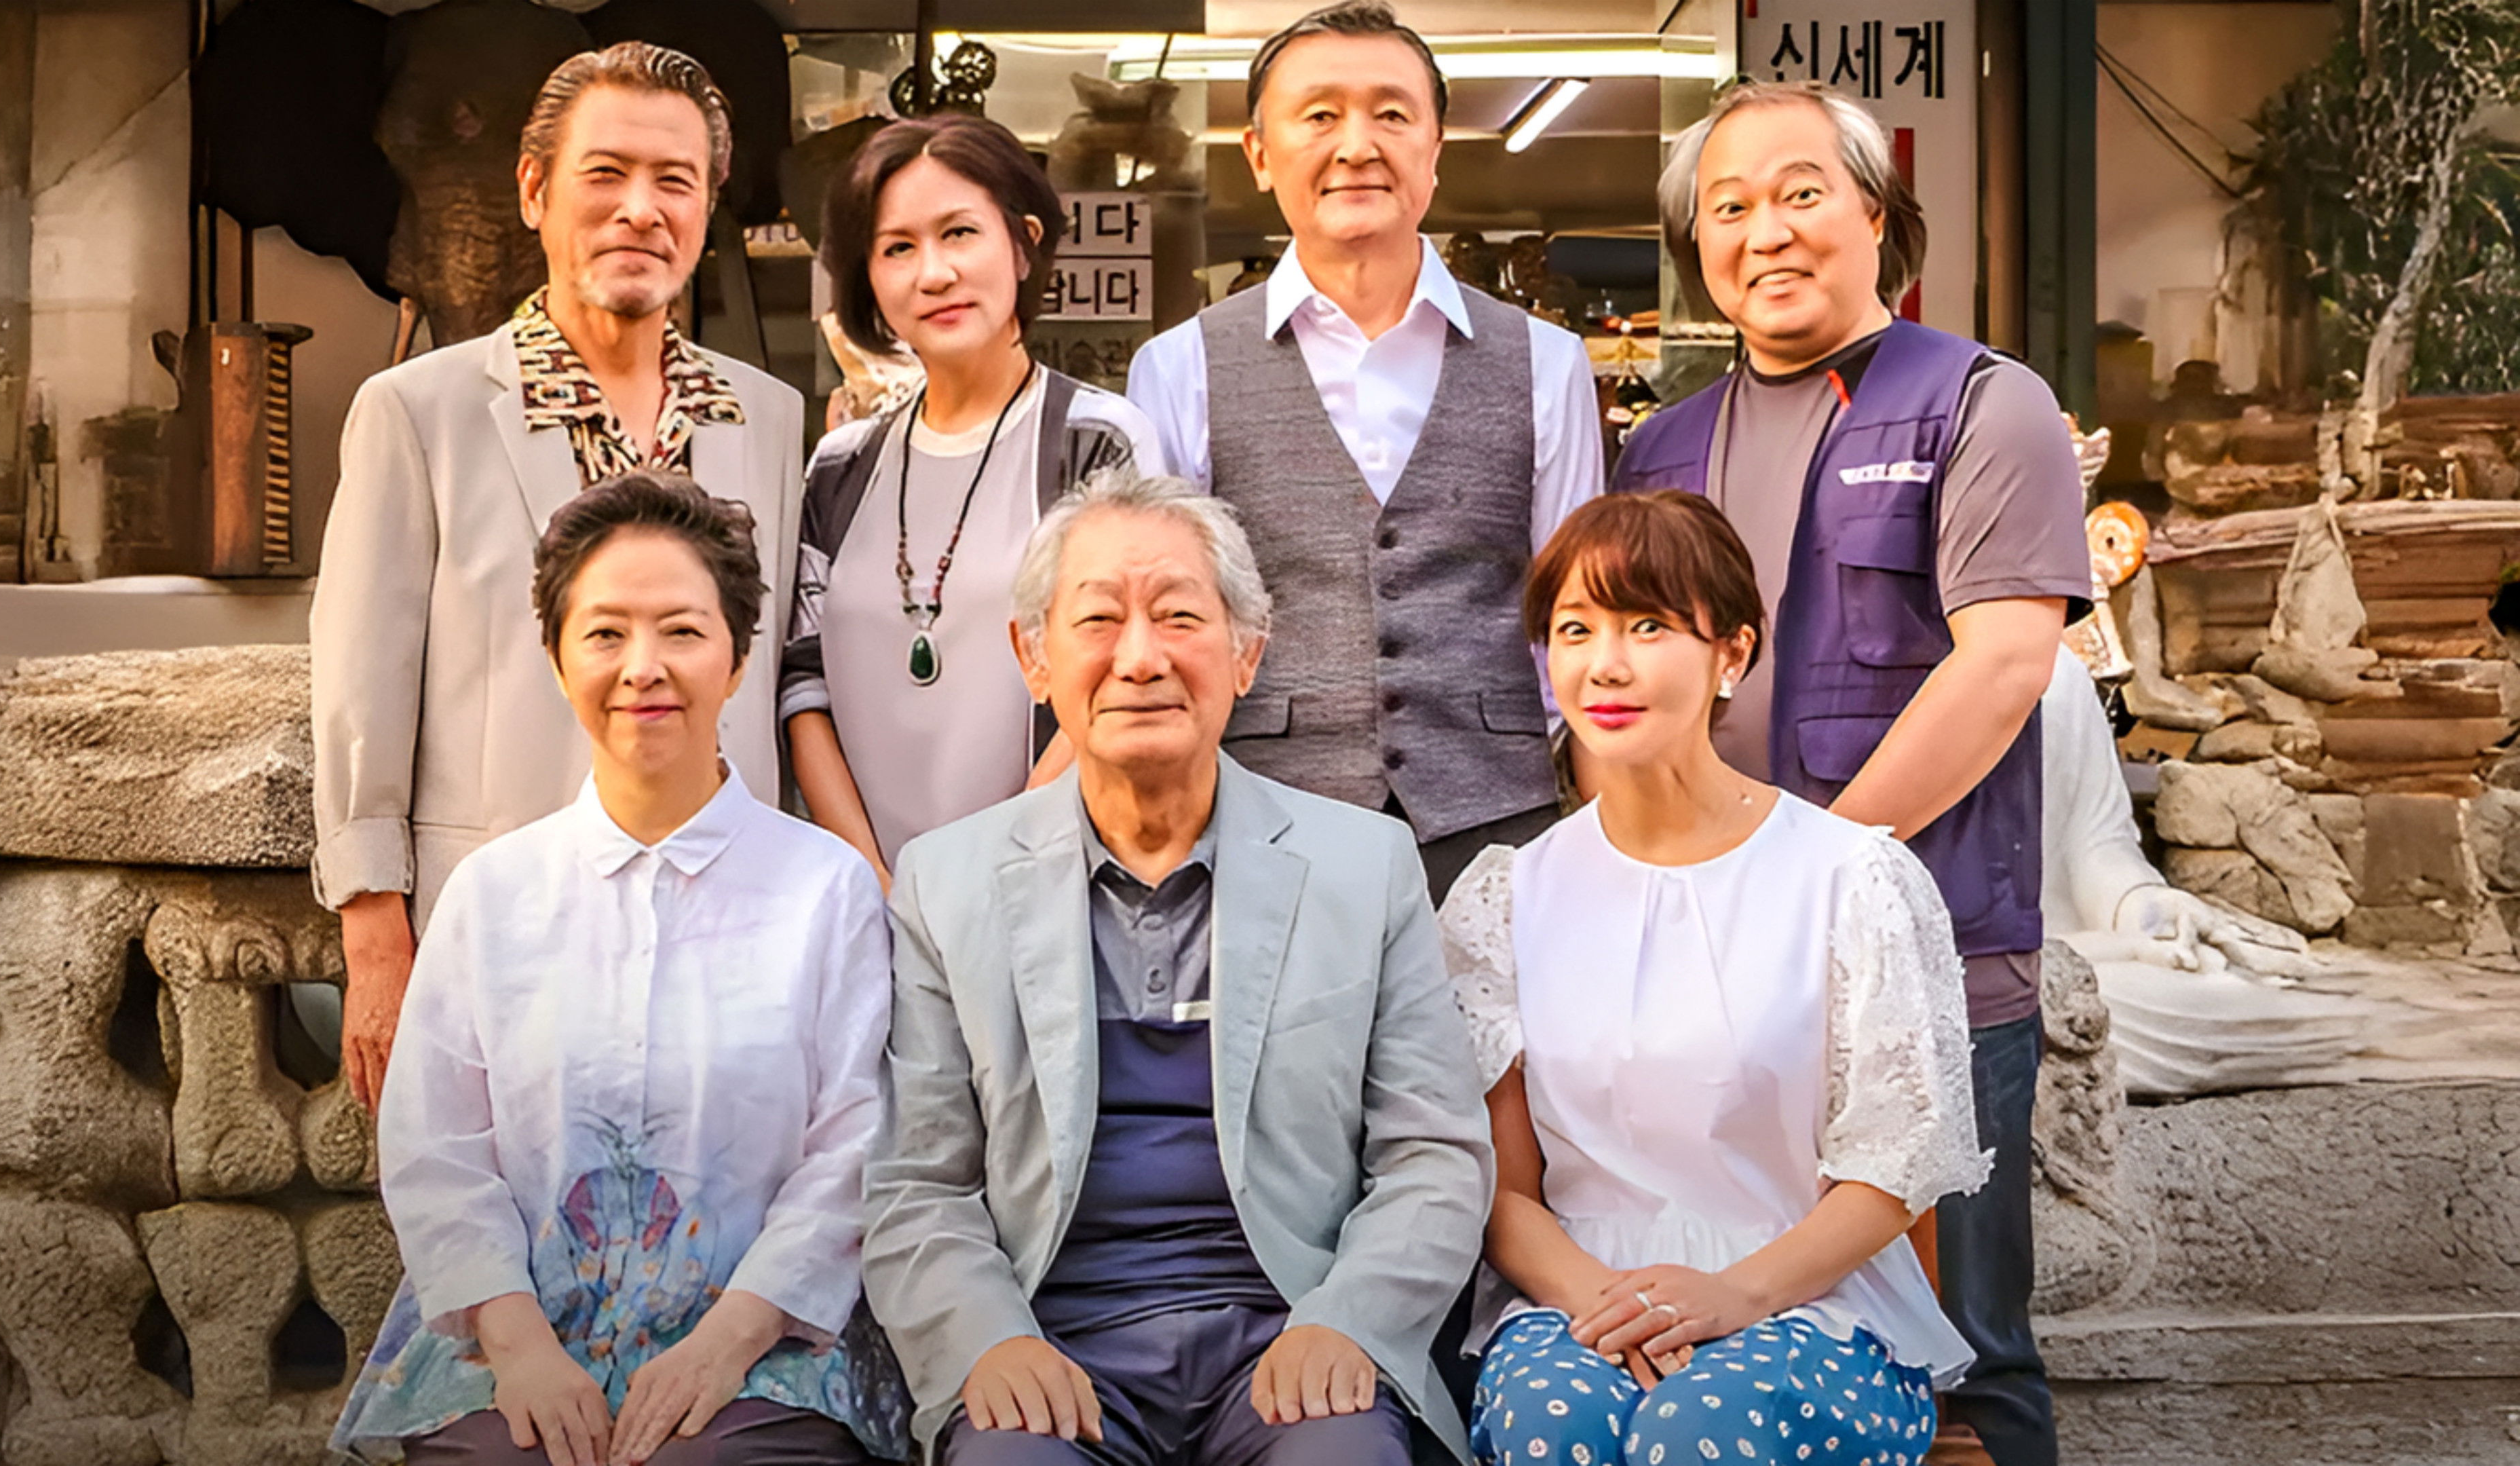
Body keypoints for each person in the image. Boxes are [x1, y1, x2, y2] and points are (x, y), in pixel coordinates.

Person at [1609, 81, 2091, 1465]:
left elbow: (2004, 665)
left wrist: (1803, 883)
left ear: (1877, 215)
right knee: (1739, 1325)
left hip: (1937, 964)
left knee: (1966, 1355)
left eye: (1802, 192)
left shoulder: (1983, 403)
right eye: (1729, 207)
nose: (1766, 230)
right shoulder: (1661, 449)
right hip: (1712, 975)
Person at [860, 468, 1494, 1466]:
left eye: (1180, 616)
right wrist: (989, 1342)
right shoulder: (947, 882)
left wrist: (1350, 1321)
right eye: (1098, 619)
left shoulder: (1363, 865)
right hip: (1052, 1345)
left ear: (1247, 653)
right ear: (1034, 657)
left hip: (1290, 1338)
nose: (1141, 657)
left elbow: (1435, 1153)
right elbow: (917, 1181)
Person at [330, 472, 905, 1466]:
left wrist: (727, 1343)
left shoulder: (827, 890)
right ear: (557, 660)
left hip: (769, 1350)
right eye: (605, 634)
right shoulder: (491, 894)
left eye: (682, 631)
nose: (644, 668)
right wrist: (520, 1348)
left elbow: (858, 1142)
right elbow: (436, 1146)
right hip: (512, 1338)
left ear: (737, 660)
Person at [1440, 491, 1991, 1466]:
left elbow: (1893, 1170)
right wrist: (1607, 1306)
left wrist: (1735, 1295)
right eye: (1575, 629)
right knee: (1556, 1422)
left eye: (1649, 626)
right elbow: (1502, 1189)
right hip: (1581, 1297)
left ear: (1732, 653)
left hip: (1816, 1301)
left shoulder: (1850, 879)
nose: (1606, 664)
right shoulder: (1505, 899)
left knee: (1700, 1429)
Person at [311, 41, 808, 1112]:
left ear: (709, 206)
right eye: (606, 174)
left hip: (726, 937)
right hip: (497, 933)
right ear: (535, 192)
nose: (641, 209)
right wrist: (374, 938)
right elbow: (360, 688)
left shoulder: (765, 417)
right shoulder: (420, 413)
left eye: (675, 180)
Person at [1125, 0, 1604, 901]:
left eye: (1391, 113)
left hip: (1500, 830)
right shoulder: (1179, 367)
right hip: (1264, 827)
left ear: (1434, 149)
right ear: (1259, 154)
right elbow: (1171, 620)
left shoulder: (1548, 362)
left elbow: (1577, 610)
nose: (1357, 145)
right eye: (1319, 115)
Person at [786, 114, 1166, 886]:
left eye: (959, 233)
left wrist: (983, 882)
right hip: (864, 896)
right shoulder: (839, 467)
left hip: (1044, 884)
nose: (933, 274)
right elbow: (802, 686)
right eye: (897, 248)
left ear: (1024, 244)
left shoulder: (1095, 443)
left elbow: (1119, 675)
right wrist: (872, 883)